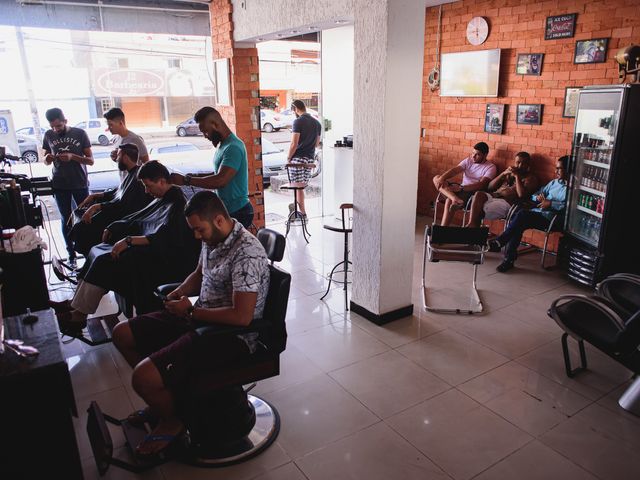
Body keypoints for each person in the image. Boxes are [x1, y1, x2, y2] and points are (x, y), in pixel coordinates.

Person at [111, 190, 270, 456]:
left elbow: (242, 318)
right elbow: (199, 273)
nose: (197, 236)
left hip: (229, 336)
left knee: (143, 378)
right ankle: (167, 399)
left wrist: (192, 313)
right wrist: (178, 292)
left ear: (219, 220)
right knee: (123, 333)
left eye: (199, 230)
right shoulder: (214, 238)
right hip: (199, 318)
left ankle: (172, 419)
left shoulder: (247, 253)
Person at [54, 161, 201, 331]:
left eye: (148, 186)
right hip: (151, 249)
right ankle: (75, 304)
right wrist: (117, 224)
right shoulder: (162, 198)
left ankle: (79, 316)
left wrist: (129, 240)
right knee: (97, 250)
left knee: (105, 261)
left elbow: (167, 239)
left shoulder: (178, 204)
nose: (146, 191)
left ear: (161, 181)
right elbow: (140, 218)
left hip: (167, 260)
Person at [170, 106, 254, 228]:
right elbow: (217, 174)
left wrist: (186, 181)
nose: (204, 136)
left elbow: (220, 180)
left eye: (205, 131)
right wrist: (192, 177)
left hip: (238, 211)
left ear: (215, 124)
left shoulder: (233, 147)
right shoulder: (223, 145)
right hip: (227, 210)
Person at [488, 155, 569, 272]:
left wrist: (551, 204)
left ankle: (502, 243)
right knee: (518, 222)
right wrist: (539, 198)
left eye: (559, 168)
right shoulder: (554, 183)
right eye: (556, 168)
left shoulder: (574, 189)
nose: (556, 171)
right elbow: (535, 194)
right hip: (538, 213)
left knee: (521, 216)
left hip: (552, 219)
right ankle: (508, 259)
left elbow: (570, 209)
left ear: (569, 169)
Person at [70, 143, 152, 256]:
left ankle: (91, 260)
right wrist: (96, 195)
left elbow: (123, 203)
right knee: (78, 215)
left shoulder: (137, 177)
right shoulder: (131, 173)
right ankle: (89, 261)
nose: (116, 159)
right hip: (119, 211)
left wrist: (96, 206)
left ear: (125, 157)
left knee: (82, 227)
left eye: (118, 156)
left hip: (126, 218)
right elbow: (118, 192)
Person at [42, 107, 94, 268]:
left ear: (65, 121)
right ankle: (70, 254)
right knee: (66, 219)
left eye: (58, 126)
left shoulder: (80, 134)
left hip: (79, 183)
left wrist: (73, 157)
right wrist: (48, 158)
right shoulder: (48, 135)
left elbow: (90, 160)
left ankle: (89, 253)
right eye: (53, 127)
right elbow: (44, 159)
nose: (56, 129)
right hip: (59, 184)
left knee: (84, 218)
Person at [465, 151, 538, 227]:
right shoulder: (510, 174)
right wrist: (503, 174)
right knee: (479, 194)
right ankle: (472, 225)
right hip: (494, 196)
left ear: (528, 165)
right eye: (518, 162)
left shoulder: (531, 178)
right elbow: (490, 187)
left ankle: (472, 229)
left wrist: (517, 177)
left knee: (479, 210)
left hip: (506, 202)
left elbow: (521, 195)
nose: (520, 166)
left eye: (524, 164)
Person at [432, 142, 497, 226]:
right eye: (473, 153)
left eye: (477, 154)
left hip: (472, 193)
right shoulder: (469, 160)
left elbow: (482, 184)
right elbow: (455, 170)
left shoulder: (490, 167)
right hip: (459, 190)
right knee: (436, 178)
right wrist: (442, 178)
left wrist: (461, 188)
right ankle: (455, 199)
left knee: (449, 201)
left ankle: (441, 231)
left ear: (485, 155)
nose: (473, 156)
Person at [286, 100, 322, 219]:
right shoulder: (317, 124)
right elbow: (316, 144)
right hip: (309, 161)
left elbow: (294, 144)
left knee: (298, 188)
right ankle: (298, 210)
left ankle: (302, 213)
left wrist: (288, 158)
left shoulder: (298, 122)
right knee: (301, 187)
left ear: (296, 108)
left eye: (293, 111)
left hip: (298, 160)